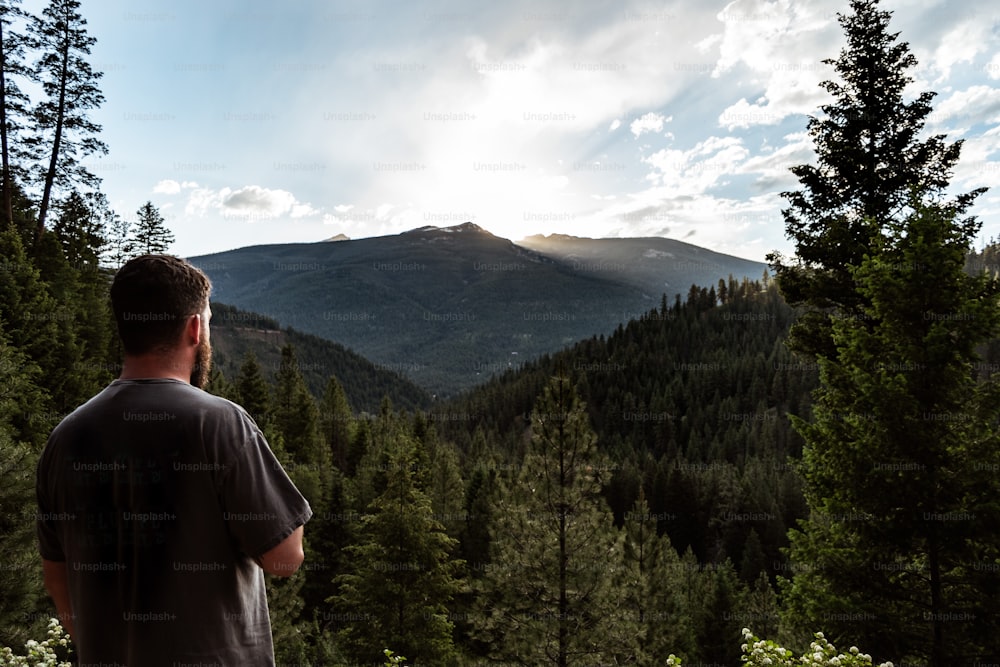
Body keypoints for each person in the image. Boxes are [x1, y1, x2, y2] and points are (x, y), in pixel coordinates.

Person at [36, 254, 313, 666]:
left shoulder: (66, 437)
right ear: (195, 328)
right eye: (209, 322)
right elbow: (284, 559)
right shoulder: (220, 423)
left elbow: (56, 575)